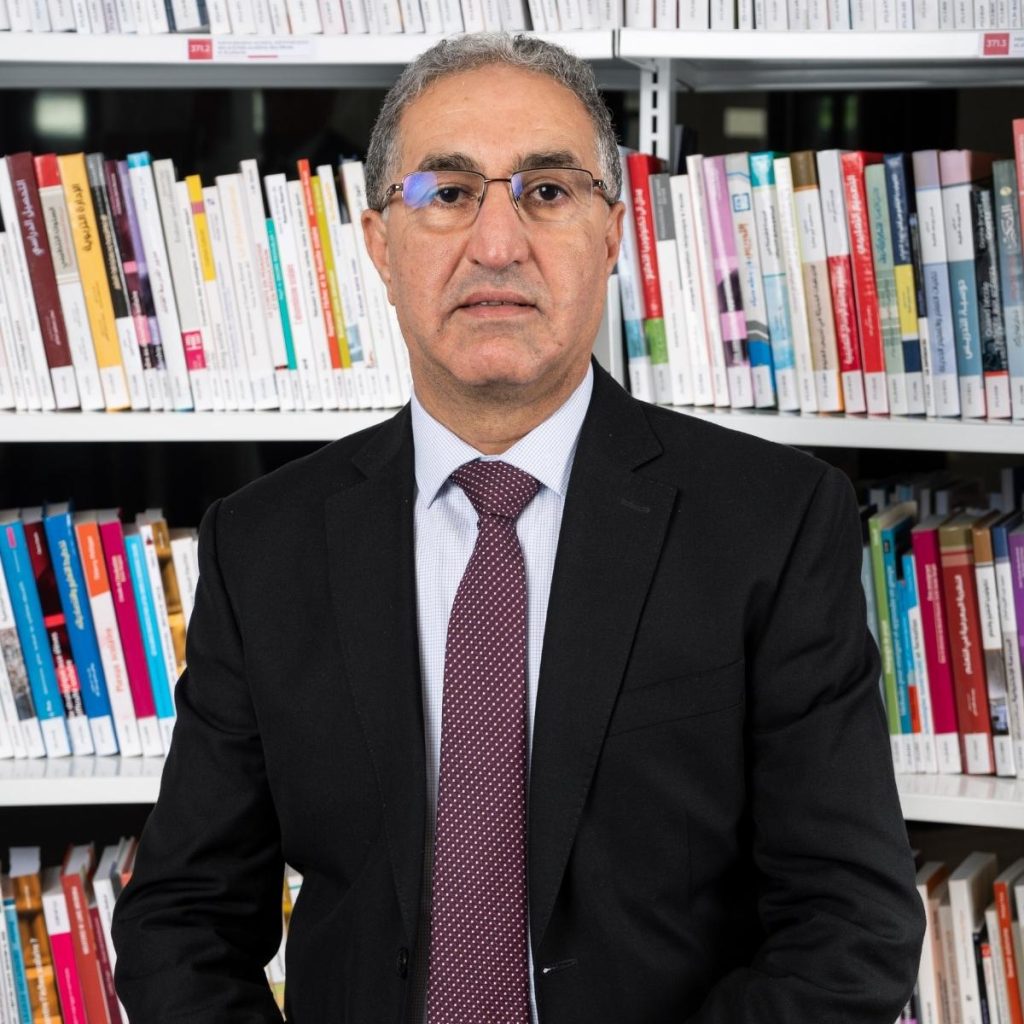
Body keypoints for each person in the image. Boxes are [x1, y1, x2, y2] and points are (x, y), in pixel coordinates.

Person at [111, 32, 925, 1024]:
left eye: (546, 190)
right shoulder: (264, 544)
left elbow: (851, 926)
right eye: (447, 192)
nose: (496, 244)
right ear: (378, 244)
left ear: (613, 235)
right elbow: (182, 921)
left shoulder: (772, 522)